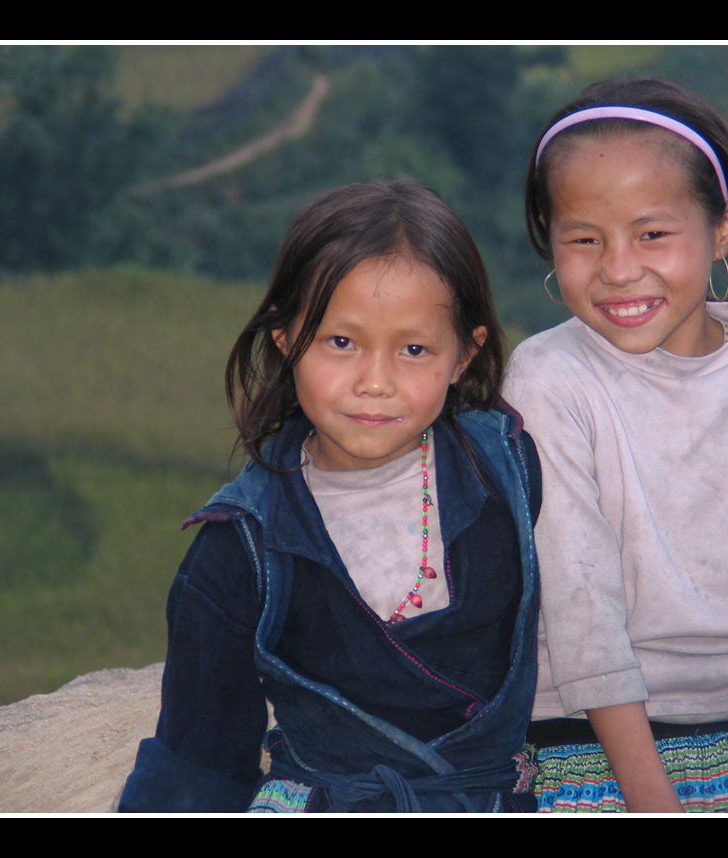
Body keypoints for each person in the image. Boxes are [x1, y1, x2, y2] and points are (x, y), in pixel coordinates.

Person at [119, 178, 541, 813]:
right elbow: (199, 755)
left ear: (463, 356)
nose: (374, 383)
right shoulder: (241, 549)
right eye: (341, 343)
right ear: (286, 338)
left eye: (414, 349)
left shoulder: (509, 470)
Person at [504, 79, 728, 813]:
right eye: (583, 238)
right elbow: (580, 609)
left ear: (724, 228)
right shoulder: (548, 375)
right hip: (584, 741)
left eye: (653, 233)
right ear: (547, 235)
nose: (619, 269)